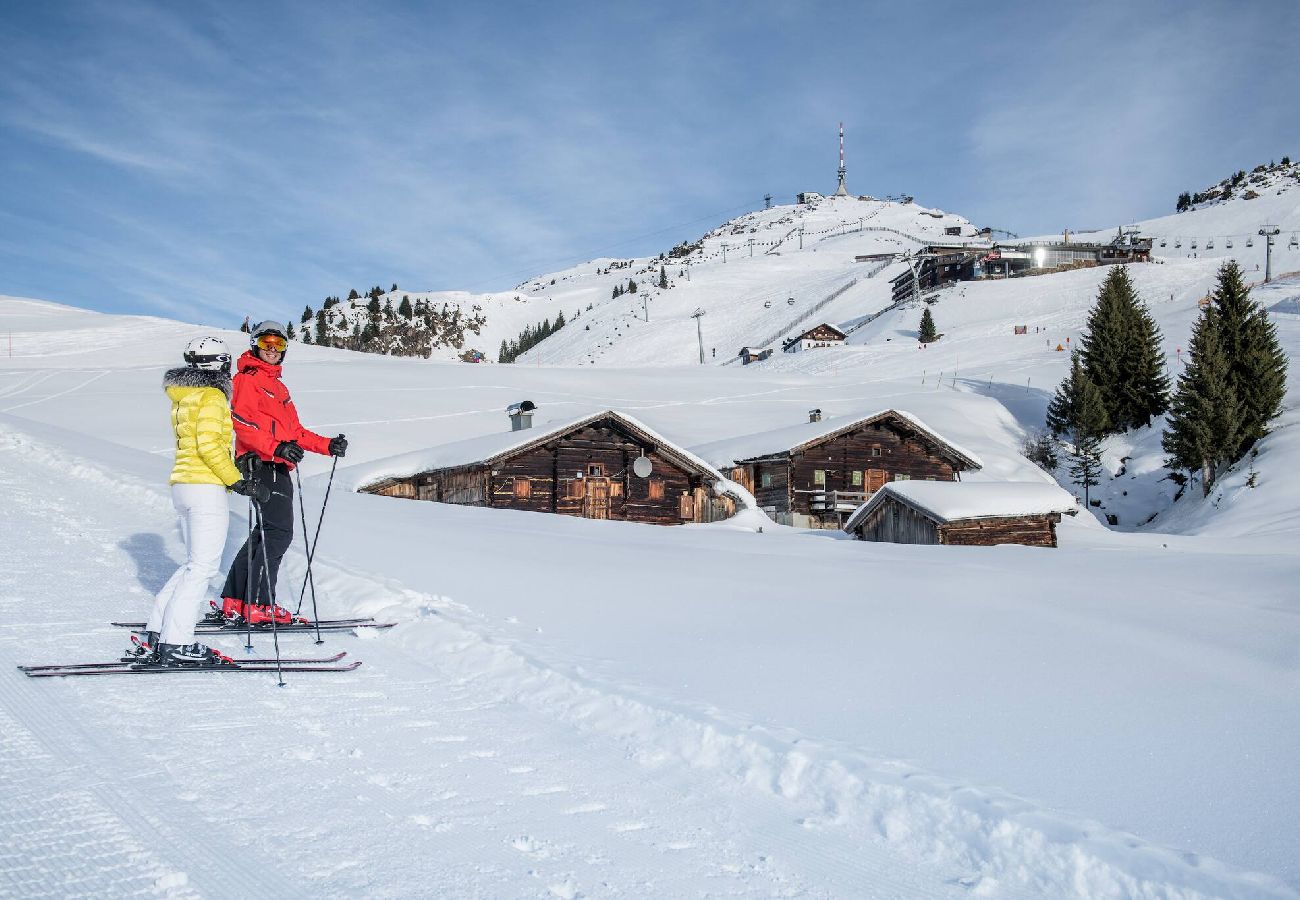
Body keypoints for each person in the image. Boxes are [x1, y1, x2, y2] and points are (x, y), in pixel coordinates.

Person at [137, 337, 270, 666]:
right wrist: (237, 481)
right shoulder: (212, 396)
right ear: (219, 364)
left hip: (183, 484)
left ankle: (157, 632)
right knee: (203, 568)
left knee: (193, 565)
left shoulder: (184, 396)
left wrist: (238, 465)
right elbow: (209, 446)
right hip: (204, 486)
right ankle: (176, 643)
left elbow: (200, 444)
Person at [220, 321, 347, 625]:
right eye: (266, 342)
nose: (273, 349)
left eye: (279, 344)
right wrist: (276, 448)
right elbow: (242, 425)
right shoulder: (247, 380)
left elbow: (295, 432)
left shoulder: (278, 386)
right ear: (255, 345)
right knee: (278, 533)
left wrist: (327, 445)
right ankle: (259, 605)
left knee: (264, 532)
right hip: (261, 464)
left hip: (275, 464)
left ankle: (236, 600)